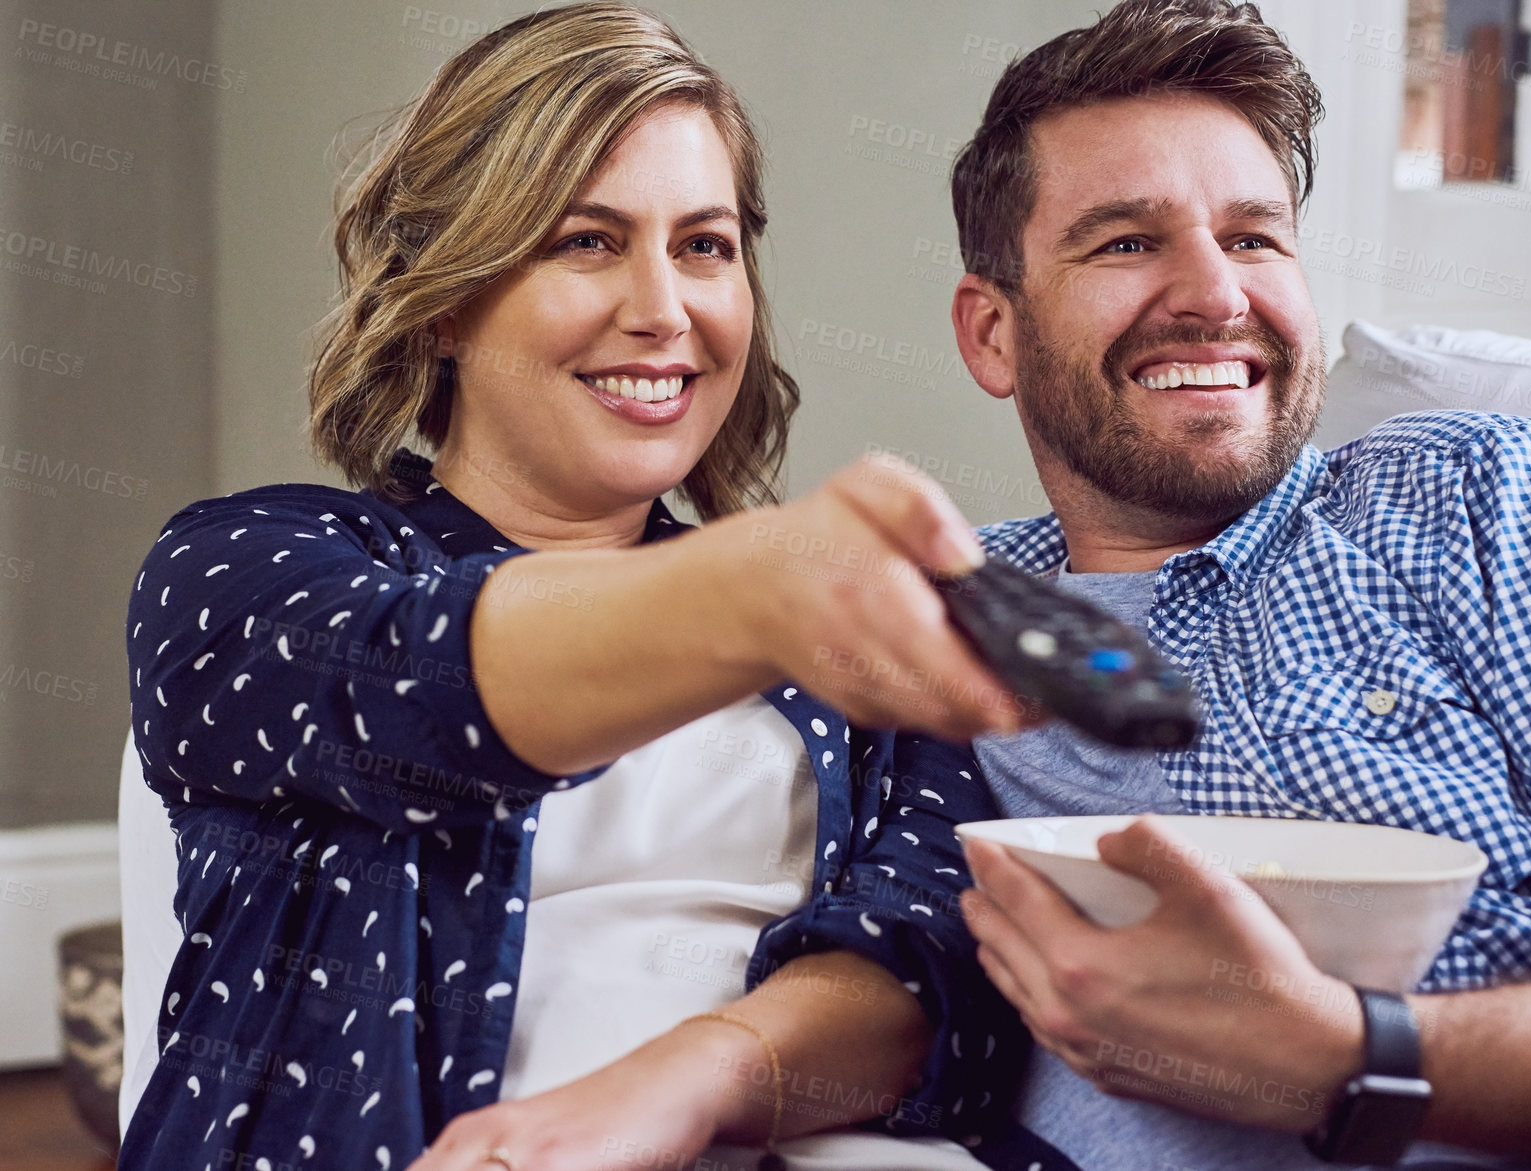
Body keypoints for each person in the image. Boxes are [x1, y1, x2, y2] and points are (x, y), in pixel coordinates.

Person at [121, 7, 1050, 1170]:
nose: (663, 309)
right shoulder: (243, 565)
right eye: (585, 241)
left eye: (703, 246)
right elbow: (418, 682)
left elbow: (922, 964)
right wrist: (756, 590)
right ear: (448, 296)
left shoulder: (845, 633)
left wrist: (674, 1085)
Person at [937, 2, 1531, 1169]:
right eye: (1125, 242)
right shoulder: (926, 618)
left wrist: (1351, 1058)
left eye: (1254, 238)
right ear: (991, 334)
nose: (1214, 294)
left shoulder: (1491, 498)